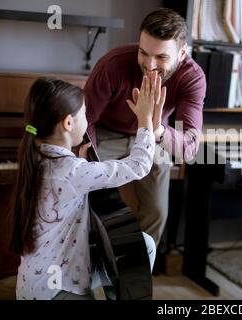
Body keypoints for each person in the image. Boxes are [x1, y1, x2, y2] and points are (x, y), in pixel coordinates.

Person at [9, 74, 163, 300]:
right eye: (84, 113)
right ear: (68, 123)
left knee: (142, 246)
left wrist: (80, 161)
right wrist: (145, 122)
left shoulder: (37, 158)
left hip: (35, 284)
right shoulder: (72, 172)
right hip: (58, 291)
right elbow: (138, 166)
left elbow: (67, 181)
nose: (87, 119)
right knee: (137, 253)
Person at [84, 8, 206, 246]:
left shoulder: (193, 78)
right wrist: (89, 161)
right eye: (143, 53)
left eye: (161, 57)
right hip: (107, 135)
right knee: (82, 196)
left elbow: (190, 148)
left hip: (155, 135)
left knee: (157, 213)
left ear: (182, 53)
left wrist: (156, 128)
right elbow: (85, 120)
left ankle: (136, 273)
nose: (149, 65)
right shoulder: (112, 65)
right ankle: (89, 267)